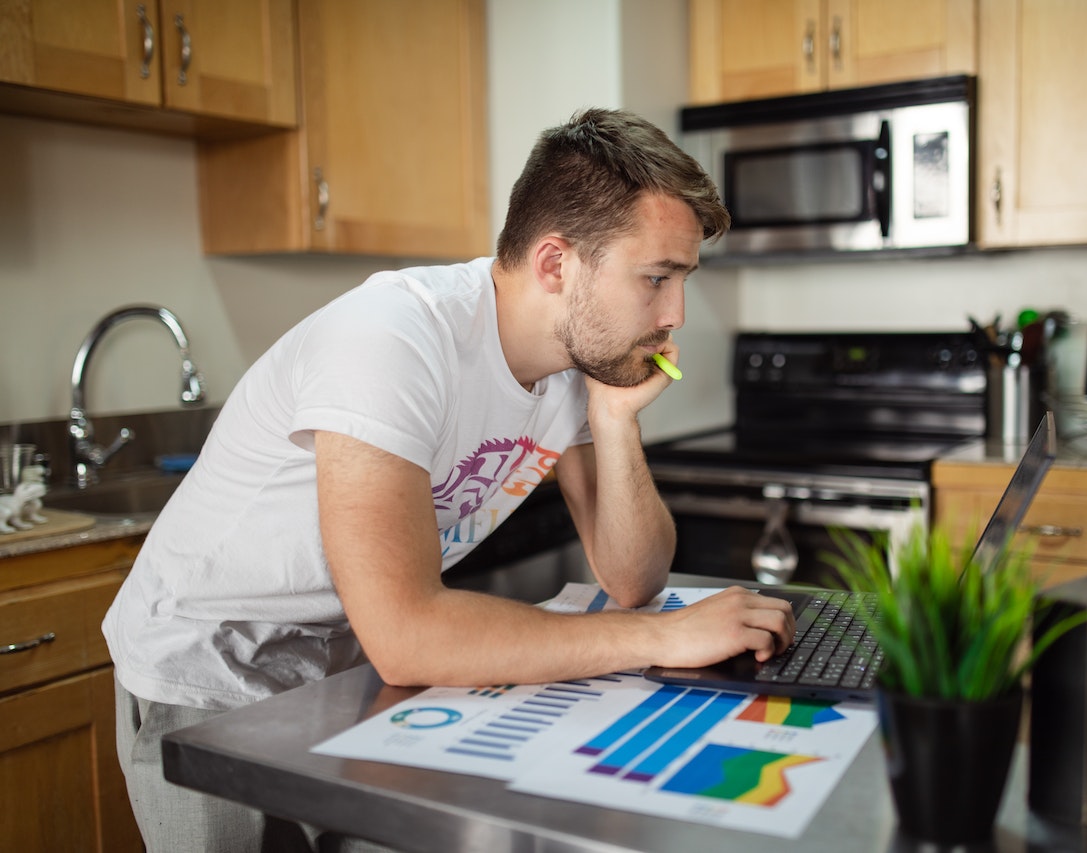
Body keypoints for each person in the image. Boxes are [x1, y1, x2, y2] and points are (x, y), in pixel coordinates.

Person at [103, 107, 796, 851]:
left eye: (681, 279)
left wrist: (616, 423)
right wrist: (662, 635)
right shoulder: (391, 339)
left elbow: (633, 576)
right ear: (556, 264)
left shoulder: (572, 368)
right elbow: (407, 633)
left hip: (340, 658)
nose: (676, 314)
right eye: (656, 278)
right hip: (209, 662)